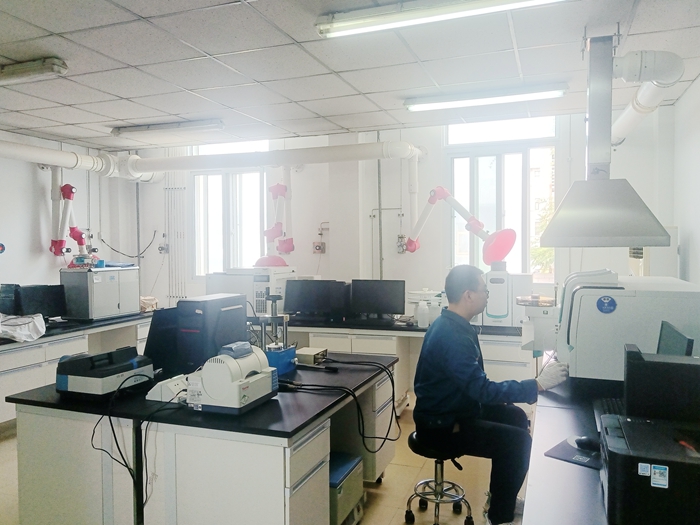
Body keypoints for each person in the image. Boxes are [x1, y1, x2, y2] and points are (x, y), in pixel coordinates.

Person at [413, 264, 568, 525]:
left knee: (516, 416)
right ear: (468, 295)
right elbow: (483, 390)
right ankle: (498, 517)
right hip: (440, 425)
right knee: (518, 442)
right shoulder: (452, 336)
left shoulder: (454, 325)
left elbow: (477, 387)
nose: (487, 295)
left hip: (455, 407)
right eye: (484, 290)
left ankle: (499, 499)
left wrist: (527, 389)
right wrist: (537, 385)